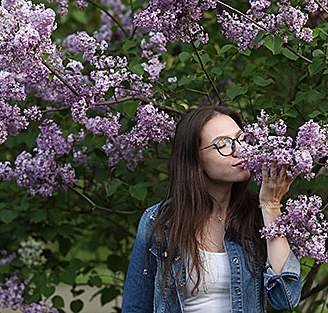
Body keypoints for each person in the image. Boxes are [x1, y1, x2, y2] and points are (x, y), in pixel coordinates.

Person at [122, 106, 302, 313]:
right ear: (195, 160)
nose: (240, 150)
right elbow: (135, 306)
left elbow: (285, 297)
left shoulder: (256, 217)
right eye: (223, 144)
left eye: (241, 139)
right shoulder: (160, 221)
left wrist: (271, 205)